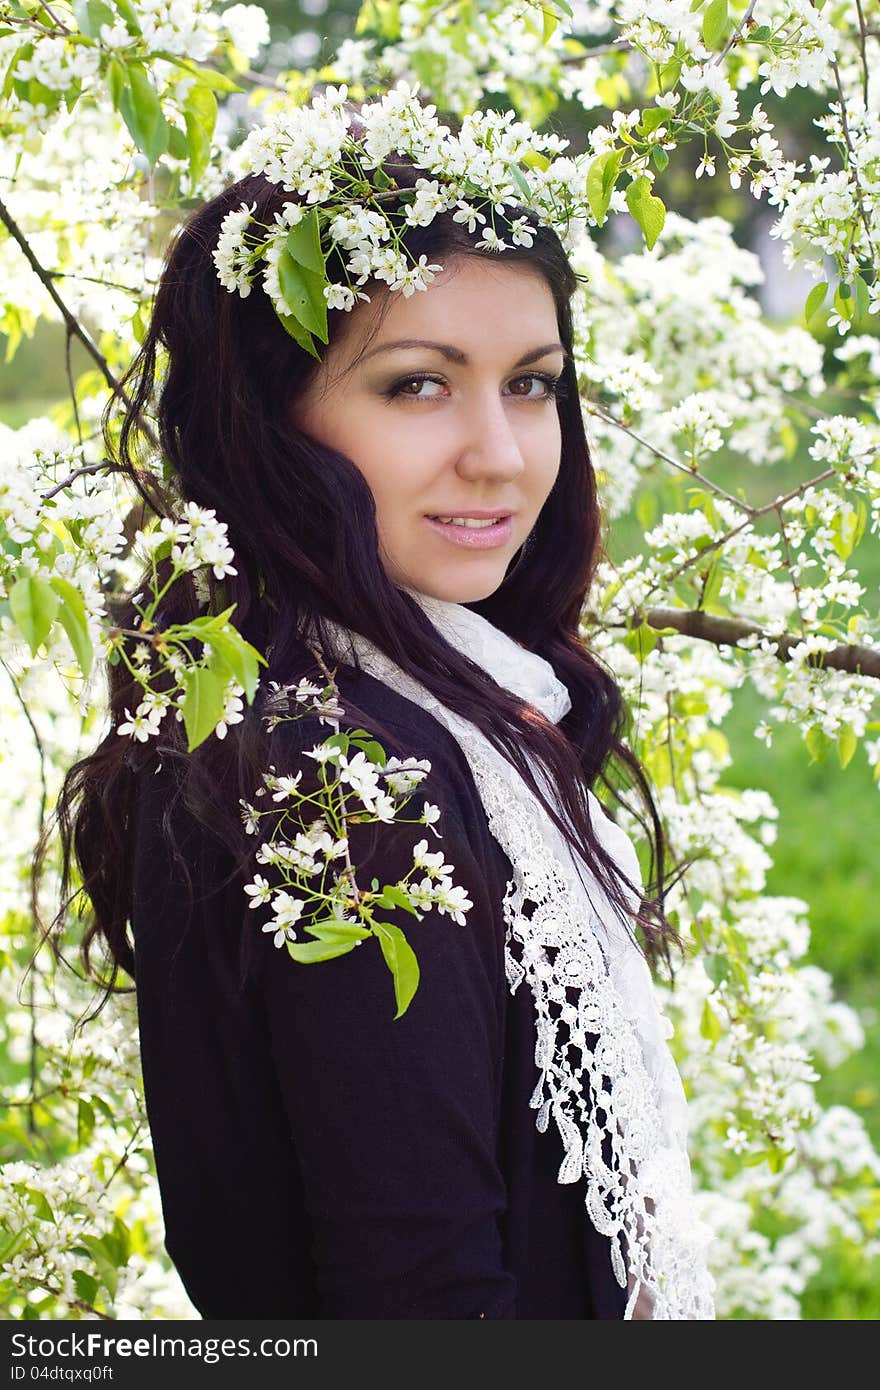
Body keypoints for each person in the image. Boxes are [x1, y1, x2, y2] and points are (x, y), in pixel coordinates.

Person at [51, 87, 715, 1319]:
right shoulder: (342, 781)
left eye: (531, 383)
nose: (501, 453)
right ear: (273, 416)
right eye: (416, 385)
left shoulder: (366, 705)